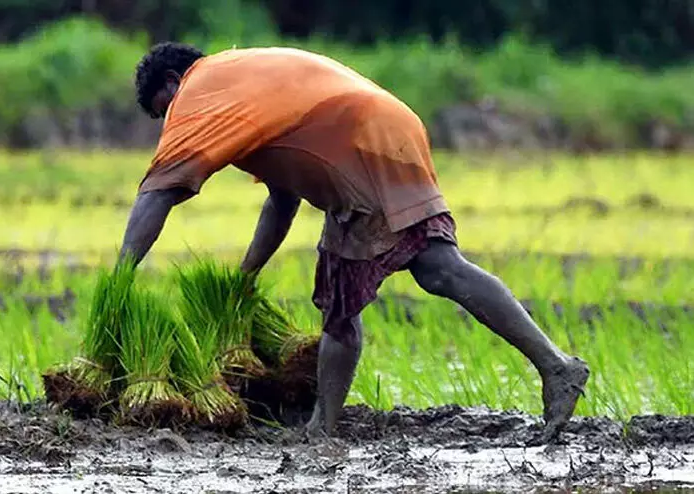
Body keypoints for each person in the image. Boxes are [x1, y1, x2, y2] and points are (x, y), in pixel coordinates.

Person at [118, 41, 590, 441]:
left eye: (165, 109)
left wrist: (118, 279)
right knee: (362, 293)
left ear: (175, 81)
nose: (172, 121)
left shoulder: (201, 87)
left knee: (434, 270)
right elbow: (282, 201)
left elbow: (159, 190)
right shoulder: (243, 84)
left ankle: (555, 366)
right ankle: (323, 426)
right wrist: (245, 276)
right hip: (384, 128)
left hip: (363, 142)